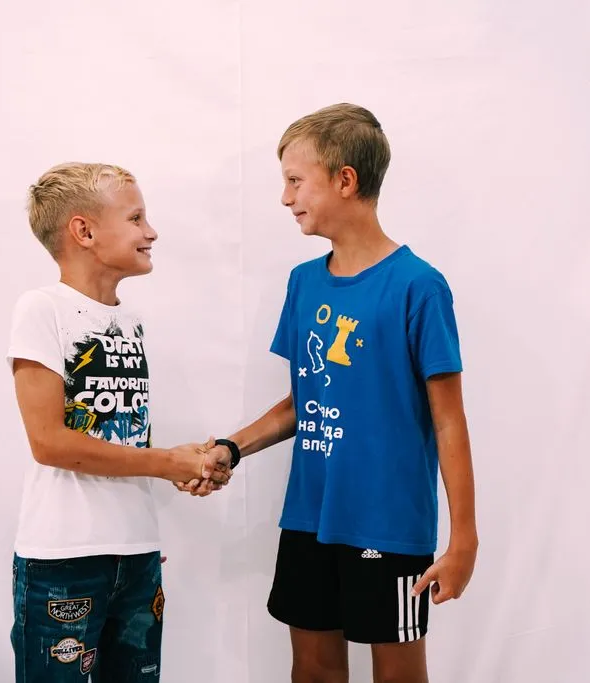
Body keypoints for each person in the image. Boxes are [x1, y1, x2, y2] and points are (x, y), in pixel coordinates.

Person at [180, 104, 478, 683]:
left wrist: (463, 537)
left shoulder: (419, 286)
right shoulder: (304, 283)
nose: (285, 198)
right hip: (309, 517)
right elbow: (303, 401)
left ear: (345, 180)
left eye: (296, 181)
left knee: (397, 675)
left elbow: (449, 421)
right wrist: (230, 448)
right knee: (312, 669)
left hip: (387, 524)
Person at [7, 162, 229, 682]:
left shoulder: (132, 322)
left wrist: (184, 465)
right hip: (64, 559)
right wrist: (166, 462)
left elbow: (123, 437)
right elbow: (50, 442)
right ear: (83, 231)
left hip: (136, 554)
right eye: (135, 218)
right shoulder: (41, 309)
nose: (151, 232)